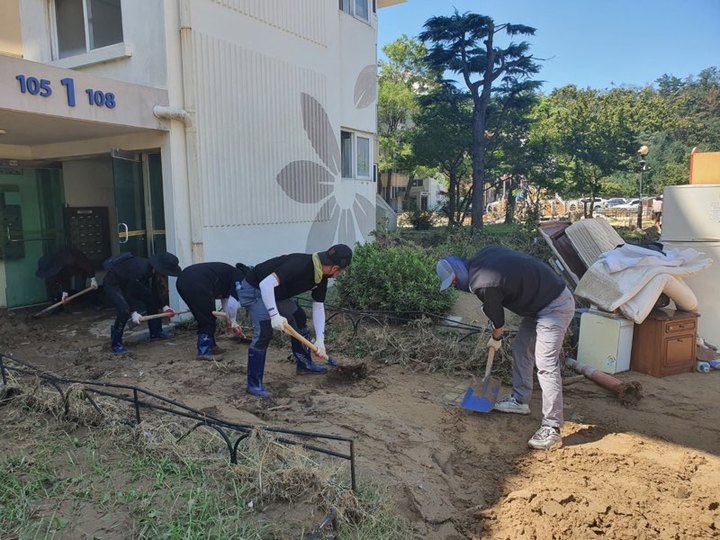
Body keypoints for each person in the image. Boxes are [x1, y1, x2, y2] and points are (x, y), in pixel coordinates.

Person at [436, 245, 575, 450]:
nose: (456, 285)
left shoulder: (482, 283)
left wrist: (496, 338)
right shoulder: (481, 256)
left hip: (555, 305)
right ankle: (520, 400)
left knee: (546, 363)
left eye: (455, 281)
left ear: (459, 270)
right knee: (521, 349)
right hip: (538, 303)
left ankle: (552, 427)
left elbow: (498, 322)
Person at [237, 244, 353, 397]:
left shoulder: (321, 277)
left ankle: (304, 365)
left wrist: (320, 340)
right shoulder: (300, 264)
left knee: (298, 317)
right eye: (341, 271)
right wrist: (274, 315)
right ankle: (254, 385)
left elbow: (318, 307)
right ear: (335, 268)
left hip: (277, 294)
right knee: (264, 332)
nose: (340, 274)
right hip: (255, 290)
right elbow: (266, 284)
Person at [103, 252, 182, 354]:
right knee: (124, 310)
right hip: (113, 284)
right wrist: (133, 312)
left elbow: (154, 292)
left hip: (130, 284)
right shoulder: (140, 269)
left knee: (151, 302)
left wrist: (164, 306)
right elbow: (129, 293)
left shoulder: (153, 270)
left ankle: (156, 332)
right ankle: (116, 343)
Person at [176, 261, 249, 360]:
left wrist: (231, 321)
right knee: (207, 318)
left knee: (205, 314)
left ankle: (211, 346)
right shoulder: (240, 278)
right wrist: (234, 323)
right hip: (197, 282)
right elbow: (232, 303)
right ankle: (204, 350)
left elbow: (226, 301)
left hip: (183, 281)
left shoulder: (230, 274)